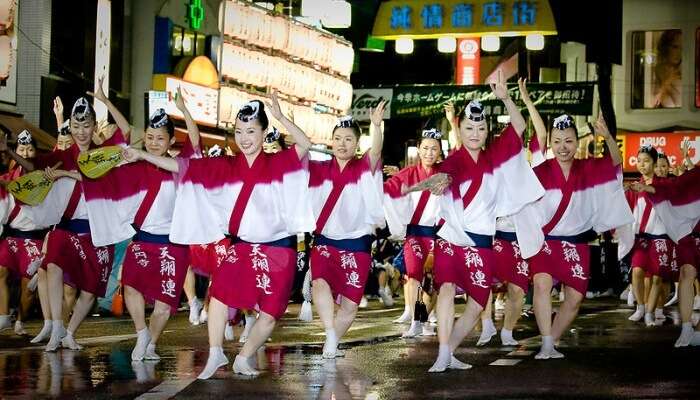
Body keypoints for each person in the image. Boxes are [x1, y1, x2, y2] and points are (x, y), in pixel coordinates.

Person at [125, 92, 315, 378]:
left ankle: (244, 356)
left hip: (278, 250)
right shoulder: (225, 165)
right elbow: (182, 166)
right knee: (219, 297)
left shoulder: (281, 162)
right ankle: (215, 354)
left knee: (270, 314)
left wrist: (281, 117)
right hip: (241, 248)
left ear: (264, 133)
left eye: (251, 131)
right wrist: (141, 154)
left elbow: (305, 143)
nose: (244, 137)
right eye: (239, 132)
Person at [410, 72, 545, 372]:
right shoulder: (450, 163)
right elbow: (439, 183)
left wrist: (507, 99)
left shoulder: (495, 155)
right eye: (469, 127)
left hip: (482, 242)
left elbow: (520, 126)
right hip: (450, 238)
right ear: (460, 128)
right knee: (445, 288)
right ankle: (443, 353)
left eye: (480, 128)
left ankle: (450, 351)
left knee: (477, 300)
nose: (475, 133)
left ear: (487, 131)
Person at [88, 86, 201, 361]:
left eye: (159, 139)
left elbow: (196, 142)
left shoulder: (182, 166)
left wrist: (184, 110)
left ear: (171, 142)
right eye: (149, 137)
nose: (152, 143)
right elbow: (111, 156)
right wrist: (105, 102)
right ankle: (141, 333)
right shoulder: (133, 165)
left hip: (173, 245)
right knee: (130, 287)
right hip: (142, 240)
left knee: (164, 305)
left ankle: (151, 343)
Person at [526, 112, 632, 359]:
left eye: (569, 141)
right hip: (547, 242)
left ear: (577, 142)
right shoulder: (540, 171)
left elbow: (616, 166)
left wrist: (607, 138)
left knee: (575, 298)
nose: (563, 147)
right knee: (542, 286)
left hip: (576, 243)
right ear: (551, 143)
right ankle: (545, 342)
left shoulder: (589, 167)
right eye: (557, 141)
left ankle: (552, 339)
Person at [308, 102, 387, 359]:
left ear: (356, 144)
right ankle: (330, 334)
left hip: (357, 244)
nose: (342, 144)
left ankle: (333, 339)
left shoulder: (364, 167)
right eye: (337, 138)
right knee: (319, 282)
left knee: (351, 305)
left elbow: (375, 151)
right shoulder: (318, 169)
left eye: (348, 139)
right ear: (331, 141)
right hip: (325, 241)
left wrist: (376, 126)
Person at [383, 127, 443, 337]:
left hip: (437, 235)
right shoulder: (407, 173)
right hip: (415, 234)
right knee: (414, 277)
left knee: (433, 282)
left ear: (439, 152)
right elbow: (388, 192)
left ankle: (425, 317)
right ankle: (417, 321)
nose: (429, 153)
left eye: (434, 149)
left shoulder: (445, 175)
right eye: (425, 148)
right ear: (418, 149)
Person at [624, 146, 677, 326]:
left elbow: (659, 191)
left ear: (654, 163)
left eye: (646, 161)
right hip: (642, 238)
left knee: (657, 277)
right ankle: (640, 307)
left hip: (662, 237)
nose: (641, 165)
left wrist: (645, 187)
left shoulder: (663, 184)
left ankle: (650, 313)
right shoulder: (634, 185)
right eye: (639, 161)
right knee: (637, 272)